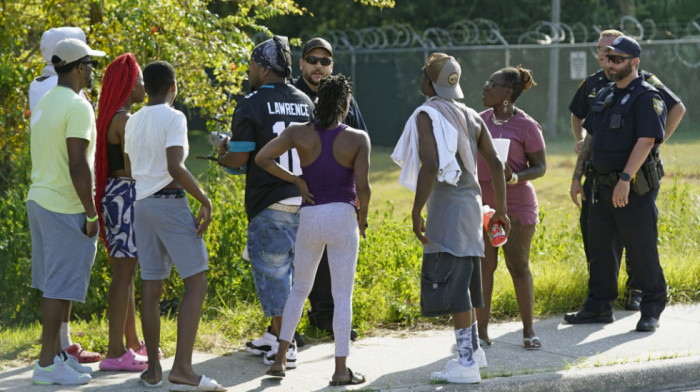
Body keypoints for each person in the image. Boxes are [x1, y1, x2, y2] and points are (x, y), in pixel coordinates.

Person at [392, 53, 510, 384]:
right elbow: (496, 164)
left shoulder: (427, 114)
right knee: (468, 284)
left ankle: (467, 363)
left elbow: (430, 165)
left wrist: (416, 211)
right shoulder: (471, 115)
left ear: (428, 83)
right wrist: (499, 210)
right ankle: (474, 352)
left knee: (456, 287)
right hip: (473, 207)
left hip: (448, 210)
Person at [259, 74, 371, 385]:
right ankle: (339, 370)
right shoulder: (358, 138)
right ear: (346, 105)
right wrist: (363, 219)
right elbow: (363, 187)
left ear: (317, 102)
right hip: (343, 216)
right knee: (342, 294)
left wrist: (296, 180)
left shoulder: (298, 132)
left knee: (299, 289)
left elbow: (262, 157)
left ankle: (280, 358)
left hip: (309, 215)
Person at [568, 29, 685, 311]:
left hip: (632, 186)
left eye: (616, 59)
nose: (609, 63)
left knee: (641, 249)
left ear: (633, 62)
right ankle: (598, 307)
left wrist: (625, 177)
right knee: (600, 251)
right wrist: (576, 178)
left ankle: (651, 307)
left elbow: (647, 138)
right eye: (607, 57)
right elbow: (590, 137)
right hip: (600, 185)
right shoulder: (604, 93)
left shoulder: (647, 94)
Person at [124, 61, 221, 390]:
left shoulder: (132, 121)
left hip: (140, 205)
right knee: (196, 282)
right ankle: (182, 368)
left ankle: (153, 372)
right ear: (173, 87)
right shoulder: (174, 117)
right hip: (169, 204)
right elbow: (175, 167)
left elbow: (129, 167)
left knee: (151, 288)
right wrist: (205, 200)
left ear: (146, 88)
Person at [217, 36, 314, 365]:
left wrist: (222, 154)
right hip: (305, 202)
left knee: (274, 279)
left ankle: (283, 347)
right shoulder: (306, 101)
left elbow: (240, 159)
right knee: (288, 275)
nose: (248, 71)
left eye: (250, 66)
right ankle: (274, 335)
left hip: (270, 203)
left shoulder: (251, 103)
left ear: (262, 68)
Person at [27, 37, 105, 385]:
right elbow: (78, 164)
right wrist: (91, 213)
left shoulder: (46, 102)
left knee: (53, 285)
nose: (93, 71)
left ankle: (56, 355)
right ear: (77, 68)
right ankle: (46, 365)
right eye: (90, 64)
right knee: (58, 287)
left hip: (40, 198)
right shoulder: (78, 106)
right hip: (63, 203)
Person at [294, 37, 367, 339]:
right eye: (313, 59)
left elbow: (361, 141)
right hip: (294, 193)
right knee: (290, 263)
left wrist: (360, 201)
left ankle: (326, 316)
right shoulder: (292, 96)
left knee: (330, 260)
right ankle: (280, 329)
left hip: (335, 196)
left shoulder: (343, 97)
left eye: (325, 61)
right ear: (301, 63)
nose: (319, 66)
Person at [475, 66, 546, 350]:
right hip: (483, 204)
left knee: (518, 266)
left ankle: (529, 331)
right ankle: (481, 333)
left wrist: (514, 176)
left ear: (507, 93)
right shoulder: (478, 121)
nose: (485, 87)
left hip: (517, 204)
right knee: (484, 268)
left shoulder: (527, 126)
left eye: (491, 84)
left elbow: (540, 167)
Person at [95, 53, 154, 372]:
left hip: (115, 195)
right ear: (129, 85)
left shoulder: (113, 117)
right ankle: (115, 350)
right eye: (141, 80)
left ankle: (130, 343)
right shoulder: (125, 120)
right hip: (126, 196)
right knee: (124, 274)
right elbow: (137, 168)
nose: (144, 86)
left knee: (125, 273)